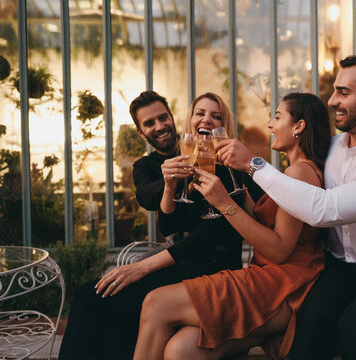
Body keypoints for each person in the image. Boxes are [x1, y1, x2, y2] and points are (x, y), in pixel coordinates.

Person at [216, 53, 356, 359]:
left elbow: (324, 209)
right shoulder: (334, 148)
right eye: (335, 91)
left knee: (355, 330)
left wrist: (252, 163)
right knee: (309, 329)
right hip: (337, 268)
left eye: (344, 92)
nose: (331, 101)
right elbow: (296, 183)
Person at [132, 92, 331, 360]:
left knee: (155, 303)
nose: (270, 125)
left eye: (277, 117)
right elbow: (262, 222)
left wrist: (224, 202)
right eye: (200, 113)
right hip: (270, 277)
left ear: (299, 127)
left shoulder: (300, 172)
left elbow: (279, 250)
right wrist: (236, 177)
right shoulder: (290, 171)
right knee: (180, 350)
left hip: (284, 283)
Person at [58, 91, 248, 360]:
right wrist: (170, 184)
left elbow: (211, 233)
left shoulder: (223, 161)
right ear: (140, 131)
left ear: (173, 117)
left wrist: (141, 267)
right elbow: (168, 223)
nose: (159, 126)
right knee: (104, 305)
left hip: (211, 265)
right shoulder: (152, 165)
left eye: (163, 118)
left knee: (92, 297)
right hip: (187, 259)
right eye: (150, 123)